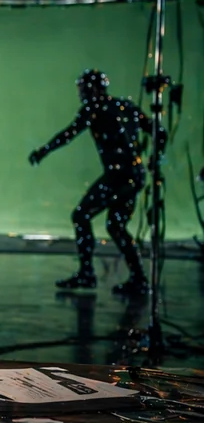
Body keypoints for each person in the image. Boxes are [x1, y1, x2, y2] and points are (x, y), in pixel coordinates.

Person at [29, 69, 165, 294]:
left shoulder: (93, 108)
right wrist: (154, 159)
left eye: (83, 88)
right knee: (115, 225)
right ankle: (139, 278)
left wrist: (43, 151)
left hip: (119, 176)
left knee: (81, 215)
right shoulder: (125, 106)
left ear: (92, 89)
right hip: (134, 174)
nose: (80, 93)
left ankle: (87, 273)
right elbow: (159, 131)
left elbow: (69, 134)